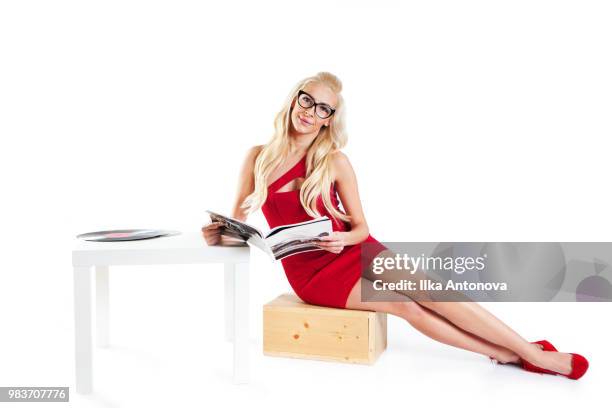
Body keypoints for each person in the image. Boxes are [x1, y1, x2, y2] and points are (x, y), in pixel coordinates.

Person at [202, 71, 588, 380]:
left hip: (355, 249)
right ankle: (504, 352)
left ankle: (531, 353)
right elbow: (240, 221)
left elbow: (360, 226)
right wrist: (219, 232)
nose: (311, 112)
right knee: (407, 307)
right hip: (312, 275)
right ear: (293, 100)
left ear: (329, 120)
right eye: (307, 100)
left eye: (324, 109)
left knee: (435, 291)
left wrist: (341, 239)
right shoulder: (256, 158)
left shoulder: (335, 161)